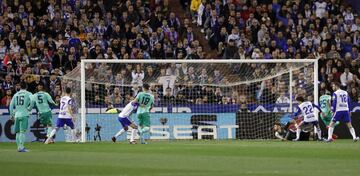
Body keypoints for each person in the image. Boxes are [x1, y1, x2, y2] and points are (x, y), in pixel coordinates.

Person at [9, 82, 34, 152]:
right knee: (22, 132)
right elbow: (33, 101)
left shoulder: (15, 94)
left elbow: (11, 105)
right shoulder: (29, 93)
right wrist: (29, 108)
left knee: (17, 132)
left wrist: (11, 115)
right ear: (26, 87)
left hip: (17, 115)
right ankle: (22, 147)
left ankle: (18, 147)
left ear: (20, 87)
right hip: (24, 114)